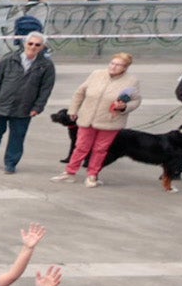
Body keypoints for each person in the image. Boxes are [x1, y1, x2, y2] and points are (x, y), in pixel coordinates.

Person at [55, 52, 142, 186]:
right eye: (112, 63)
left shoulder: (131, 81)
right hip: (87, 117)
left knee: (100, 149)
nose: (113, 67)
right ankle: (69, 172)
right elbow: (80, 93)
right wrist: (73, 109)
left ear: (125, 68)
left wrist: (124, 106)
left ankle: (92, 175)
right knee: (81, 146)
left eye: (118, 65)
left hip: (110, 121)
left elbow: (135, 101)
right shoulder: (96, 74)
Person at [0, 33, 55, 174]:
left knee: (17, 136)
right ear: (25, 43)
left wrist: (38, 107)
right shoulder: (8, 60)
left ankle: (11, 163)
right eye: (30, 43)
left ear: (42, 47)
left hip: (24, 108)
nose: (33, 47)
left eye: (37, 45)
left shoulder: (46, 66)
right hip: (1, 105)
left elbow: (46, 89)